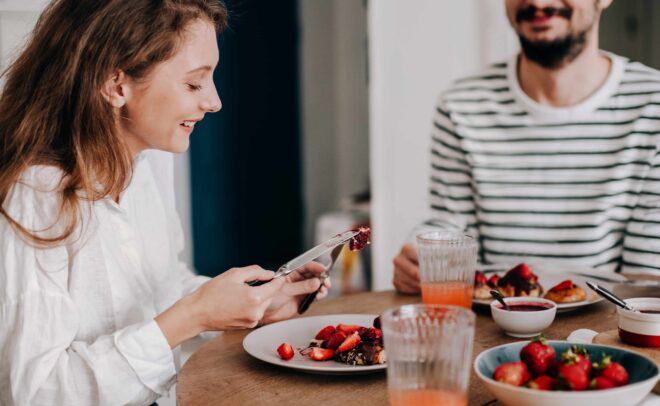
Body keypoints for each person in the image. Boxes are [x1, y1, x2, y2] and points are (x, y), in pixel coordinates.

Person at [0, 1, 329, 405]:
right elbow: (36, 393)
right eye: (194, 83)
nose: (214, 102)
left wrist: (253, 304)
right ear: (116, 84)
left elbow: (161, 292)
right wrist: (192, 315)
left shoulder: (140, 167)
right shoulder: (35, 197)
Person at [393, 0, 660, 294]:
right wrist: (423, 256)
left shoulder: (653, 106)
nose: (537, 2)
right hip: (491, 330)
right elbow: (451, 223)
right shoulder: (461, 106)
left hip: (605, 334)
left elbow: (644, 284)